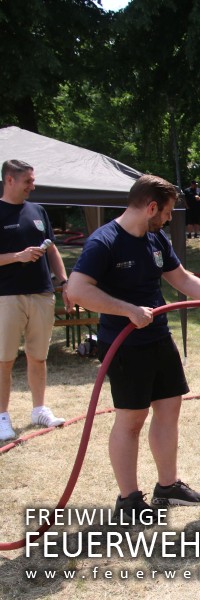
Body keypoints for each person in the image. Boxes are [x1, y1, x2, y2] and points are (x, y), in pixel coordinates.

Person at [67, 174, 200, 522]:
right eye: (165, 212)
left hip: (158, 339)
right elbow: (77, 290)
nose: (168, 219)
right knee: (131, 420)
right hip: (124, 345)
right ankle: (129, 500)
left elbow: (181, 278)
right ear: (150, 207)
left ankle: (168, 486)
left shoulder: (155, 238)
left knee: (168, 410)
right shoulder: (104, 242)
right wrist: (128, 310)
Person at [0, 159, 74, 442]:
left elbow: (52, 249)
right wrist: (17, 257)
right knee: (4, 359)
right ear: (10, 180)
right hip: (7, 296)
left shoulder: (38, 210)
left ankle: (39, 409)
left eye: (33, 180)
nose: (34, 185)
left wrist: (63, 282)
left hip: (42, 294)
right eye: (28, 181)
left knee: (38, 356)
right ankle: (2, 416)